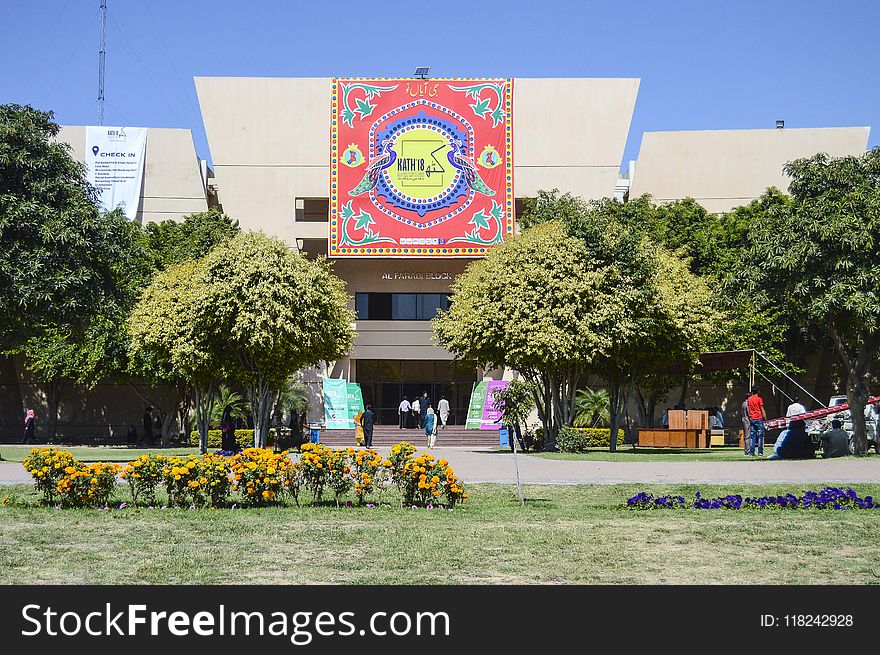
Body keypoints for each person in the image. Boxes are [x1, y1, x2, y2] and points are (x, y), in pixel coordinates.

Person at [746, 386, 766, 457]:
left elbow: (748, 410)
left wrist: (750, 417)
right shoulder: (759, 399)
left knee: (752, 436)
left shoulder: (749, 399)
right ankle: (760, 452)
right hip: (759, 418)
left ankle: (751, 452)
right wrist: (765, 418)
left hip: (752, 419)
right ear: (758, 391)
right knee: (760, 436)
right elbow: (762, 409)